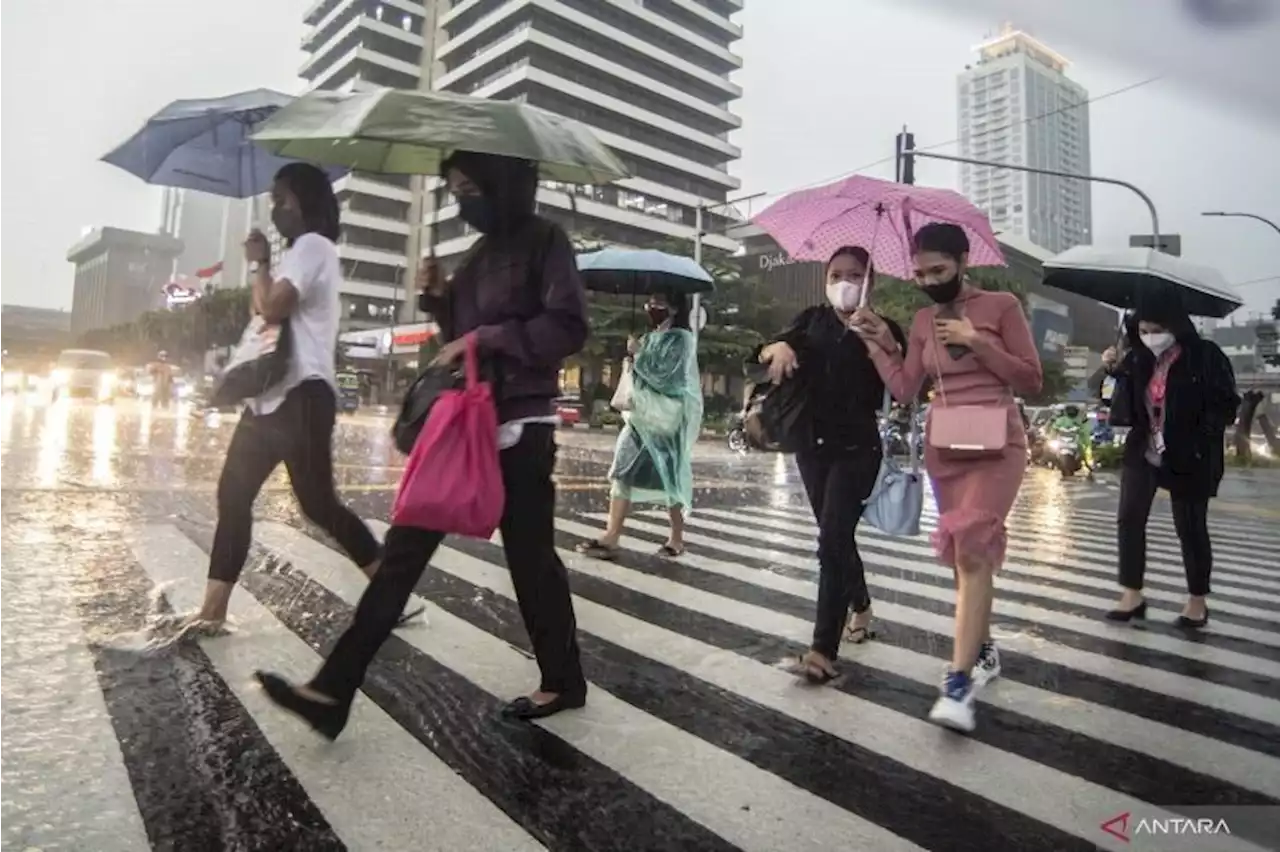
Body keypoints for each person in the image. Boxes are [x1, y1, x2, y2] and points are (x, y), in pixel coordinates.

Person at [255, 150, 590, 739]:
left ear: (500, 183)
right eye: (455, 191)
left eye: (470, 188)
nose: (464, 201)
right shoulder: (477, 255)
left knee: (532, 561)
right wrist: (439, 301)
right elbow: (455, 340)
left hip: (521, 430)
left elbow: (567, 327)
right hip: (463, 424)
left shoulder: (547, 241)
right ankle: (332, 691)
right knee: (402, 552)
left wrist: (484, 335)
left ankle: (563, 679)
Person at [184, 163, 394, 634]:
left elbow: (274, 307)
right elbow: (264, 311)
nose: (276, 209)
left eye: (283, 200)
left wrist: (261, 262)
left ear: (307, 202)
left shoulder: (314, 246)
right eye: (274, 201)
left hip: (301, 394)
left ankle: (390, 592)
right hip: (267, 397)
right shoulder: (298, 254)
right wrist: (262, 267)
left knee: (319, 504)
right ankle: (211, 612)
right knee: (233, 495)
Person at [852, 223, 1043, 733]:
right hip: (947, 444)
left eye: (938, 270)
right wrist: (878, 345)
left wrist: (976, 341)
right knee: (963, 558)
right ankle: (981, 649)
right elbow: (907, 386)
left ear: (963, 262)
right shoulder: (920, 319)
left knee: (974, 550)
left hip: (998, 441)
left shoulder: (1001, 307)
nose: (928, 280)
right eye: (920, 273)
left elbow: (1030, 378)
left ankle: (958, 684)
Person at [756, 246, 906, 684]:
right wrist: (777, 347)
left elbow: (905, 389)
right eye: (837, 273)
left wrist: (886, 344)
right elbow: (761, 351)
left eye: (855, 274)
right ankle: (859, 603)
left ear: (870, 282)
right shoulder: (811, 320)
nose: (845, 281)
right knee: (833, 535)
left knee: (833, 537)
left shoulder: (882, 328)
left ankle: (822, 649)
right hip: (811, 445)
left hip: (858, 448)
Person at [1100, 299, 1239, 628]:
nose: (1150, 337)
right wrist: (1113, 370)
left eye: (1158, 330)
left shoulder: (1205, 356)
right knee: (1129, 519)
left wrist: (1201, 432)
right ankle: (1132, 594)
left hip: (1190, 454)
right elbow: (1116, 405)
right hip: (1143, 449)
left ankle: (1197, 600)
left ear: (1176, 327)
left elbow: (1227, 405)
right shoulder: (1136, 358)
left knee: (1189, 527)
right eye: (1144, 331)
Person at [577, 291, 703, 560]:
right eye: (650, 302)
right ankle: (612, 536)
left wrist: (640, 356)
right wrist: (632, 360)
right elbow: (642, 378)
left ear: (673, 306)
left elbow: (669, 378)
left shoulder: (681, 339)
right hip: (638, 419)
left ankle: (676, 537)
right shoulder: (647, 337)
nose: (651, 307)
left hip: (664, 421)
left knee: (668, 477)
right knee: (621, 471)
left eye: (659, 301)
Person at [1048, 403, 1095, 477]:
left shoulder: (1080, 420)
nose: (1071, 412)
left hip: (1075, 442)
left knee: (1085, 451)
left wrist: (1085, 440)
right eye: (1069, 410)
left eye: (1072, 410)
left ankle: (1088, 466)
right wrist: (1051, 439)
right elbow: (1054, 429)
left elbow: (1085, 433)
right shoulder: (1060, 420)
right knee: (1049, 450)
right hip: (1062, 442)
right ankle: (1050, 463)